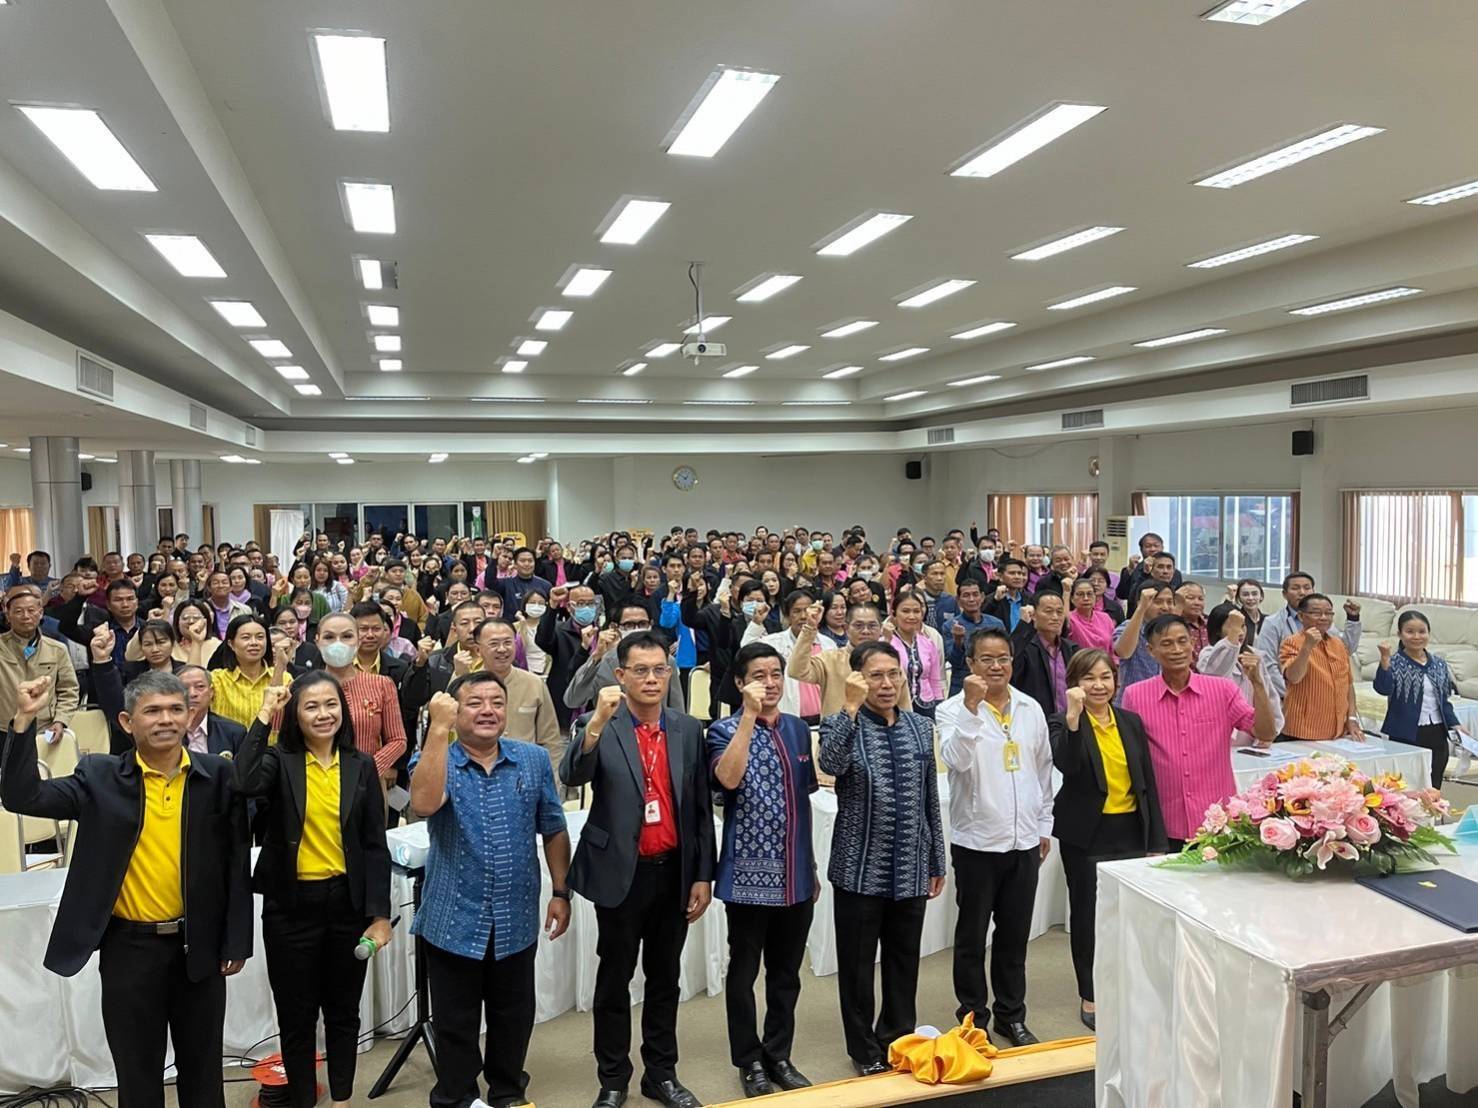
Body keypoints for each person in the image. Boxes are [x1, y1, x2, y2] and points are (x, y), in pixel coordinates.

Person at [1, 671, 251, 1108]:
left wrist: (236, 939)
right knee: (137, 1076)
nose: (165, 719)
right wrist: (23, 721)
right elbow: (22, 797)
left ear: (190, 715)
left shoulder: (217, 775)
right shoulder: (99, 777)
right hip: (130, 950)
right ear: (126, 721)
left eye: (175, 709)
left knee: (204, 1074)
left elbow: (235, 860)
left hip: (199, 946)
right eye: (152, 711)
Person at [561, 632, 714, 1108]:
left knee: (665, 979)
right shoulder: (601, 722)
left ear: (670, 673)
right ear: (621, 675)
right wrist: (595, 722)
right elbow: (572, 775)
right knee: (615, 980)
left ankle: (661, 1074)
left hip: (673, 872)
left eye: (659, 670)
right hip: (621, 873)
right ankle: (612, 1079)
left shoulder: (686, 728)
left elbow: (700, 809)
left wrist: (702, 874)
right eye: (640, 671)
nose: (651, 679)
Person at [411, 674, 572, 1108]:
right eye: (475, 702)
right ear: (454, 712)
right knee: (456, 1022)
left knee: (513, 1016)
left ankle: (507, 1091)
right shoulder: (436, 757)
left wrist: (561, 891)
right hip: (453, 918)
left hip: (515, 916)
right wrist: (437, 729)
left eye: (497, 702)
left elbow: (554, 826)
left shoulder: (532, 759)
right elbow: (423, 804)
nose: (488, 711)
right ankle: (457, 1098)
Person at [234, 677, 393, 1108]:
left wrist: (380, 914)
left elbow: (374, 845)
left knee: (343, 1013)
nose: (324, 714)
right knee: (297, 1017)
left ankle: (341, 1100)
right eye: (311, 706)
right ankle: (303, 1100)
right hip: (290, 908)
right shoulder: (279, 760)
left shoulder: (360, 764)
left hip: (347, 905)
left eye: (331, 704)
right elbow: (243, 781)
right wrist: (265, 713)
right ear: (295, 715)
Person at [818, 642, 945, 1075]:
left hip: (910, 865)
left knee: (903, 960)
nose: (887, 684)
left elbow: (930, 798)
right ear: (857, 679)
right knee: (857, 967)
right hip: (859, 868)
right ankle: (864, 1050)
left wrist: (936, 860)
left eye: (893, 674)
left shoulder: (920, 726)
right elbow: (831, 765)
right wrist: (849, 708)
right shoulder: (841, 723)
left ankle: (897, 1036)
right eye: (876, 675)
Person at [707, 643, 817, 1097]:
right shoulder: (721, 730)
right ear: (739, 683)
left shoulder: (797, 728)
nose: (770, 684)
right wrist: (749, 717)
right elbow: (728, 779)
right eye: (758, 676)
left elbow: (803, 797)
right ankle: (748, 1059)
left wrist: (810, 867)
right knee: (744, 973)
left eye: (775, 674)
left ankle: (778, 1054)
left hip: (796, 873)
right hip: (747, 878)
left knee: (786, 974)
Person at [936, 628, 1053, 1048]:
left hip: (1024, 842)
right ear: (970, 664)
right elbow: (955, 760)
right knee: (971, 938)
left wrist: (1043, 825)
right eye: (986, 659)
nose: (996, 666)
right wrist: (972, 707)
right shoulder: (951, 710)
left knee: (1014, 935)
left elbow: (1042, 770)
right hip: (977, 843)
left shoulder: (1030, 708)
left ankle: (1011, 1015)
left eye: (1002, 657)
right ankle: (973, 1018)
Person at [1048, 649, 1166, 1030]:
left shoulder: (1129, 721)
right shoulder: (1062, 722)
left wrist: (1156, 839)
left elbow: (1147, 782)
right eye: (1089, 678)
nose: (1098, 685)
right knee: (1088, 915)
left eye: (1105, 677)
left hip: (1130, 829)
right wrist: (1073, 720)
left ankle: (1128, 985)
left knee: (1130, 915)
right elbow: (1068, 766)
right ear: (1074, 684)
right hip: (1087, 835)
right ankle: (1091, 992)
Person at [1121, 615, 1275, 849]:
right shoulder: (1135, 695)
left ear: (1193, 644)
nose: (1177, 650)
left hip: (1218, 819)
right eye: (1167, 643)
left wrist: (1259, 685)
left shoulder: (1222, 689)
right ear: (1151, 651)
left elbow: (1265, 733)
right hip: (1164, 822)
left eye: (1182, 641)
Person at [315, 613, 407, 816]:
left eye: (347, 636)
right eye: (329, 637)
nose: (338, 643)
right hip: (315, 786)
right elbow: (279, 728)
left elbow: (398, 740)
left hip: (367, 787)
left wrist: (369, 769)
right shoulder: (305, 687)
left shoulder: (381, 684)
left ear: (357, 641)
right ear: (317, 641)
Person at [1374, 610, 1466, 787]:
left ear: (1429, 633)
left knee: (1434, 783)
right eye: (1410, 631)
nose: (1416, 637)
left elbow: (1443, 701)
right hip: (1405, 733)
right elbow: (1383, 689)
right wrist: (1385, 659)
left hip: (1437, 732)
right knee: (1406, 784)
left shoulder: (1439, 664)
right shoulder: (1394, 662)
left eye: (1422, 631)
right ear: (1400, 634)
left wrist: (1456, 724)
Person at [787, 601, 915, 717]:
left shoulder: (890, 663)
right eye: (859, 625)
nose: (865, 631)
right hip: (839, 732)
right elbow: (796, 671)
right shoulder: (830, 660)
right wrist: (809, 628)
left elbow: (905, 709)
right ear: (846, 628)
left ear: (881, 629)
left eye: (872, 626)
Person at [563, 602, 687, 717]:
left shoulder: (666, 660)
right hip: (611, 729)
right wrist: (596, 656)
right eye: (629, 625)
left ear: (651, 624)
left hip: (657, 729)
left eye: (642, 624)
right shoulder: (603, 661)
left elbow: (677, 707)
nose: (637, 629)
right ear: (614, 627)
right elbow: (573, 700)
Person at [1278, 593, 1364, 743]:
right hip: (1303, 731)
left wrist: (1351, 718)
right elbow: (1293, 677)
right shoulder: (1291, 642)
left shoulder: (1338, 644)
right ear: (1301, 616)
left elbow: (1349, 685)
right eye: (1316, 613)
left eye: (1328, 613)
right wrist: (1307, 647)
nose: (1324, 617)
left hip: (1337, 731)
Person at [1, 584, 79, 745]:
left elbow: (69, 690)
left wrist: (60, 721)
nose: (25, 616)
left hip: (45, 729)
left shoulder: (57, 649)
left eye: (31, 610)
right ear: (7, 615)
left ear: (41, 612)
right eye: (18, 611)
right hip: (5, 729)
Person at [740, 589, 835, 722]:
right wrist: (756, 623)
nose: (803, 616)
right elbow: (747, 651)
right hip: (790, 717)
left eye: (808, 610)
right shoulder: (775, 642)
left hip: (825, 719)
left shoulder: (828, 644)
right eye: (796, 611)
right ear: (787, 615)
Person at [1197, 605, 1285, 744]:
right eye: (1232, 626)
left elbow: (1269, 695)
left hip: (1252, 736)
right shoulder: (1209, 654)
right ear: (1218, 630)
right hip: (1220, 737)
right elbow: (1216, 672)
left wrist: (1271, 730)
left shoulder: (1254, 655)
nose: (1240, 632)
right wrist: (1232, 637)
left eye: (1243, 626)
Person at [1254, 572, 1361, 669]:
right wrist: (1286, 685)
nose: (1302, 592)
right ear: (1284, 594)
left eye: (1307, 588)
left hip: (1324, 680)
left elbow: (1346, 650)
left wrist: (1353, 618)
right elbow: (1267, 663)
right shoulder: (1272, 623)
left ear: (1313, 591)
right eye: (1295, 588)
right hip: (1288, 680)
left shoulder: (1323, 620)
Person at [209, 613, 294, 729]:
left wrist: (280, 665)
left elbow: (275, 712)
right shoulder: (217, 680)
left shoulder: (285, 678)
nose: (254, 643)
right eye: (246, 637)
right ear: (231, 644)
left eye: (260, 637)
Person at [1009, 591, 1079, 719]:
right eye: (1048, 611)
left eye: (1059, 612)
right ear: (1034, 615)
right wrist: (1023, 625)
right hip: (1034, 719)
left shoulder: (1072, 648)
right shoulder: (1024, 648)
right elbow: (1010, 666)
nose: (1055, 617)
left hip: (1069, 720)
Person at [889, 591, 946, 720]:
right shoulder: (887, 643)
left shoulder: (928, 643)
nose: (912, 616)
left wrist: (939, 706)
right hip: (896, 705)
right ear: (894, 614)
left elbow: (935, 680)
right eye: (905, 611)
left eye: (916, 611)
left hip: (927, 706)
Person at [1112, 583, 1175, 697]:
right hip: (1133, 700)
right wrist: (1141, 608)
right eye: (1158, 602)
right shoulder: (1129, 626)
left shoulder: (1173, 631)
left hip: (1163, 700)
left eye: (1170, 602)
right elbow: (1123, 652)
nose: (1165, 607)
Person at [1067, 577, 1116, 655]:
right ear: (1072, 599)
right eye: (1080, 594)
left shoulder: (1105, 618)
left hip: (1105, 661)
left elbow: (1112, 649)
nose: (1086, 598)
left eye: (1089, 594)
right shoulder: (1070, 618)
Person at [984, 557, 1031, 631]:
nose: (1017, 577)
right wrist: (995, 601)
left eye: (1020, 573)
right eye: (1012, 573)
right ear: (1000, 576)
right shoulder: (992, 600)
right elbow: (983, 619)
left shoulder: (1029, 599)